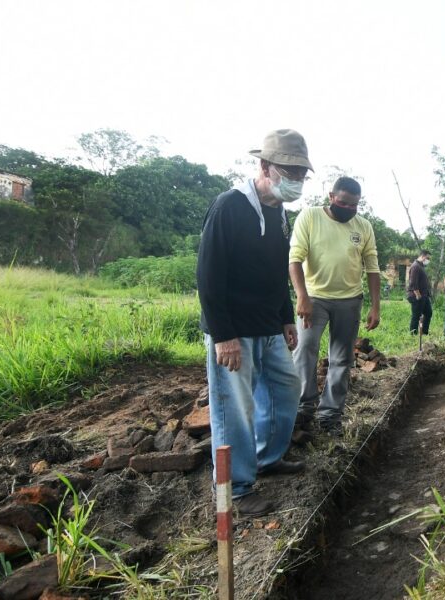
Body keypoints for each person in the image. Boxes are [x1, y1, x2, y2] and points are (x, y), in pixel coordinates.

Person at [196, 129, 311, 517]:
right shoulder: (229, 207)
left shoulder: (279, 211)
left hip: (268, 326)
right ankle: (237, 491)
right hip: (234, 331)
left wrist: (284, 317)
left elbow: (277, 272)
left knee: (286, 387)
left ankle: (268, 457)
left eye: (301, 174)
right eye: (289, 170)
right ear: (264, 166)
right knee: (234, 409)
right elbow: (209, 275)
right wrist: (223, 334)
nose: (296, 180)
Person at [289, 176, 381, 436]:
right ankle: (303, 408)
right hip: (314, 299)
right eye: (343, 203)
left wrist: (376, 307)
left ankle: (330, 415)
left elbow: (372, 268)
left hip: (350, 301)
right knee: (305, 349)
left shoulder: (363, 226)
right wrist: (302, 296)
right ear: (331, 196)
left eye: (354, 205)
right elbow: (294, 259)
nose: (348, 210)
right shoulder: (310, 217)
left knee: (342, 358)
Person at [406, 250, 433, 336]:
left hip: (424, 296)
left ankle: (424, 333)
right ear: (423, 256)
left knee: (428, 313)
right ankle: (413, 334)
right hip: (417, 296)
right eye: (427, 258)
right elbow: (413, 283)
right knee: (416, 316)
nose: (428, 260)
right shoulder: (415, 266)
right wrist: (418, 295)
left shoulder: (421, 266)